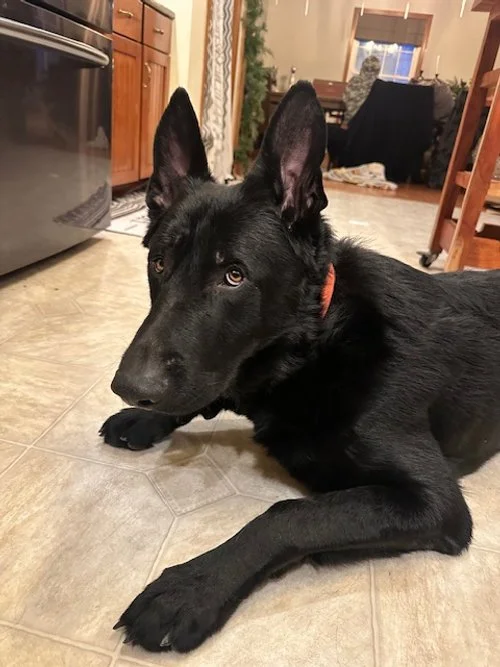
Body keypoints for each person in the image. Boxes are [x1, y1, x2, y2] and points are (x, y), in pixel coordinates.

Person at [327, 55, 381, 166]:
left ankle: (334, 161)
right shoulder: (380, 87)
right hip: (369, 133)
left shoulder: (355, 81)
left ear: (362, 67)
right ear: (378, 70)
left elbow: (345, 100)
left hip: (349, 128)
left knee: (327, 129)